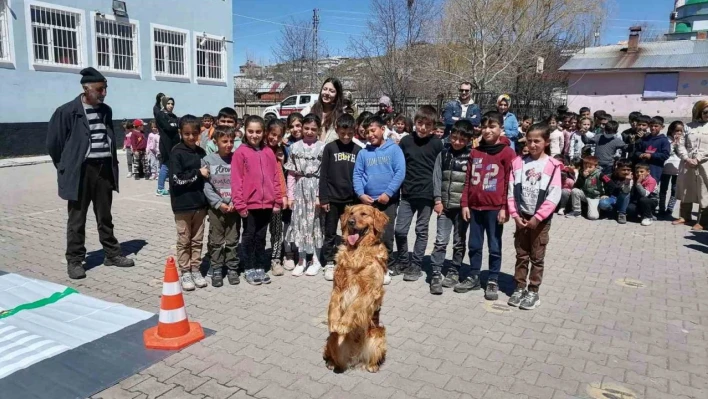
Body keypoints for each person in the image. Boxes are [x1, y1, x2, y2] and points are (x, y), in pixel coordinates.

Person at [46, 67, 134, 279]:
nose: (103, 93)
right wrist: (67, 167)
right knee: (77, 218)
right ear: (86, 89)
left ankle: (111, 254)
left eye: (105, 89)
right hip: (81, 172)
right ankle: (75, 260)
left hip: (103, 169)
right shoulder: (67, 111)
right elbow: (54, 144)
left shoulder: (106, 110)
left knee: (105, 216)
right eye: (99, 89)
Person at [457, 111, 515, 299]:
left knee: (494, 245)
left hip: (495, 208)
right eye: (485, 126)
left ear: (501, 129)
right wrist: (465, 203)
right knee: (474, 244)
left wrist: (505, 207)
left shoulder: (507, 152)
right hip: (475, 207)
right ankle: (474, 275)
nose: (488, 130)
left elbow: (509, 182)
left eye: (492, 126)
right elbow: (468, 180)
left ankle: (493, 279)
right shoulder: (475, 151)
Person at [507, 123, 562, 310]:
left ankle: (533, 291)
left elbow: (554, 195)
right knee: (521, 254)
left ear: (546, 142)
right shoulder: (518, 163)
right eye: (529, 141)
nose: (532, 145)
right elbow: (511, 191)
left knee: (537, 256)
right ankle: (519, 287)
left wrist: (538, 217)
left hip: (540, 220)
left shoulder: (553, 166)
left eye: (537, 141)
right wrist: (514, 215)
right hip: (521, 216)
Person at [353, 114, 406, 283]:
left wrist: (388, 193)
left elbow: (400, 172)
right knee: (367, 234)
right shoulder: (363, 153)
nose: (370, 135)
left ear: (383, 129)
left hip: (387, 201)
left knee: (386, 235)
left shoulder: (394, 150)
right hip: (368, 202)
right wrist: (361, 194)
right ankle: (368, 264)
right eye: (366, 132)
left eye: (373, 130)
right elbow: (357, 174)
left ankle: (384, 267)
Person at [394, 105, 444, 282]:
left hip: (426, 196)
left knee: (421, 231)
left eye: (427, 125)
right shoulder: (407, 141)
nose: (423, 128)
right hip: (407, 193)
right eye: (420, 123)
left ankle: (416, 264)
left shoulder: (437, 144)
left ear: (433, 127)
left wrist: (438, 198)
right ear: (414, 123)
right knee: (400, 230)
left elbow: (440, 171)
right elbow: (398, 166)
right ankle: (402, 260)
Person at [231, 115, 282, 285]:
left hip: (267, 204)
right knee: (248, 236)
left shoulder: (268, 152)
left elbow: (275, 177)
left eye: (258, 131)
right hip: (248, 205)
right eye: (251, 131)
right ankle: (249, 267)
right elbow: (236, 179)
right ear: (245, 131)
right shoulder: (240, 153)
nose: (254, 135)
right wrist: (239, 203)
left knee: (261, 236)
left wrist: (277, 201)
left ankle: (260, 265)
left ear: (264, 132)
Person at [429, 120, 473, 295]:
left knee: (459, 242)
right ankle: (435, 273)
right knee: (440, 240)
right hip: (445, 207)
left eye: (462, 140)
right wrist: (438, 200)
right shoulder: (444, 154)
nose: (457, 142)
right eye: (454, 138)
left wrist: (467, 204)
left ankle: (454, 270)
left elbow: (471, 183)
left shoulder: (472, 156)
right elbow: (437, 177)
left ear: (469, 140)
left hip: (462, 208)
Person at [169, 115, 209, 291]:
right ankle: (185, 271)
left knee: (197, 240)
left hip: (199, 205)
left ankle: (195, 269)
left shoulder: (201, 153)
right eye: (187, 134)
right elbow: (177, 179)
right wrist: (198, 173)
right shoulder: (176, 153)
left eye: (194, 133)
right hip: (182, 205)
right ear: (180, 133)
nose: (191, 137)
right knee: (184, 240)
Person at [319, 114, 361, 281]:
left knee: (351, 232)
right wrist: (324, 198)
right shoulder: (330, 148)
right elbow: (323, 175)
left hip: (351, 200)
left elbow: (360, 176)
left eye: (349, 134)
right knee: (330, 232)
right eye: (342, 133)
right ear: (336, 130)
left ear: (354, 132)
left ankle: (349, 259)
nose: (345, 137)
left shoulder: (358, 150)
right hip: (332, 199)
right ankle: (329, 261)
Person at [284, 114, 326, 276]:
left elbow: (325, 175)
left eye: (313, 129)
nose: (309, 132)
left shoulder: (323, 148)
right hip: (300, 190)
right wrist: (290, 196)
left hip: (315, 189)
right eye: (306, 128)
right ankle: (301, 259)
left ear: (318, 130)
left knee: (315, 223)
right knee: (300, 223)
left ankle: (315, 259)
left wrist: (319, 196)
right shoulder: (294, 148)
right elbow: (291, 174)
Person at [202, 126, 240, 287]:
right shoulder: (208, 160)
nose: (228, 144)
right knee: (216, 240)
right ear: (215, 142)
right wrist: (218, 203)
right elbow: (206, 186)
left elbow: (241, 182)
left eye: (231, 141)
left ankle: (232, 267)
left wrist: (234, 202)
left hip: (233, 207)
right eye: (224, 141)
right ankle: (216, 268)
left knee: (232, 240)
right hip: (216, 209)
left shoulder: (237, 159)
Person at [674, 100, 708, 230]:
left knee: (704, 190)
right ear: (699, 112)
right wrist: (687, 158)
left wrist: (698, 158)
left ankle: (703, 221)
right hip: (688, 163)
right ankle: (684, 216)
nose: (707, 114)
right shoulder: (688, 127)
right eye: (705, 112)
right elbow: (680, 144)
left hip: (705, 163)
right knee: (685, 189)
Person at [264, 119, 288, 276]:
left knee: (277, 230)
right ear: (267, 132)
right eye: (273, 134)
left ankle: (275, 259)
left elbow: (281, 175)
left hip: (276, 196)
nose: (275, 139)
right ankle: (257, 259)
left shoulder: (281, 150)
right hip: (259, 197)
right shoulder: (259, 149)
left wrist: (284, 195)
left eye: (279, 136)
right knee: (258, 230)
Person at [282, 112, 304, 270]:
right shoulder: (285, 145)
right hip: (289, 188)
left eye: (298, 125)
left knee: (303, 221)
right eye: (292, 126)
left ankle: (300, 252)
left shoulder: (310, 143)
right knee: (288, 221)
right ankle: (288, 252)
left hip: (305, 188)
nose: (296, 129)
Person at [302, 78, 344, 143]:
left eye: (331, 91)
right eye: (324, 89)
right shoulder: (310, 108)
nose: (327, 93)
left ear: (337, 95)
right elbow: (296, 125)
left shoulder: (341, 115)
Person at [634, 116, 670, 183]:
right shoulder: (645, 138)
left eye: (656, 126)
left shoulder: (664, 140)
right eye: (651, 126)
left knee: (652, 188)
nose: (653, 128)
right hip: (642, 168)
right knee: (641, 187)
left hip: (655, 169)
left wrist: (651, 155)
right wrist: (640, 154)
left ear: (662, 127)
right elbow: (637, 150)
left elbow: (665, 155)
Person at [156, 95, 179, 196]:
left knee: (173, 165)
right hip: (166, 144)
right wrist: (174, 126)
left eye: (172, 104)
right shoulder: (161, 115)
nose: (170, 106)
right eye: (168, 103)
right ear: (164, 104)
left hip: (175, 143)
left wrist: (174, 126)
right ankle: (160, 189)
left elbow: (176, 126)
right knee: (166, 165)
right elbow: (168, 128)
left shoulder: (173, 116)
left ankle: (172, 187)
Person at [567, 155, 604, 220]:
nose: (587, 169)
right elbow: (577, 185)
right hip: (584, 194)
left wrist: (606, 194)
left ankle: (596, 207)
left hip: (594, 197)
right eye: (585, 166)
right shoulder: (581, 172)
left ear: (595, 166)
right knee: (575, 190)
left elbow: (610, 183)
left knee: (593, 217)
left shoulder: (600, 174)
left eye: (590, 167)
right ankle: (576, 212)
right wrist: (583, 177)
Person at [598, 159, 633, 224]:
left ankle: (622, 214)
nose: (626, 172)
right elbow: (601, 185)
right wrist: (603, 194)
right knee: (602, 203)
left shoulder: (631, 179)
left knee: (625, 193)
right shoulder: (609, 176)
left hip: (624, 201)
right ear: (617, 169)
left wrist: (627, 182)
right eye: (623, 170)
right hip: (612, 199)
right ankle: (613, 212)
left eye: (628, 170)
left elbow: (626, 191)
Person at [660, 121, 683, 217]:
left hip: (677, 169)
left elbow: (682, 154)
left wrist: (679, 144)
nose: (678, 133)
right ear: (671, 130)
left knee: (674, 190)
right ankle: (661, 208)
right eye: (676, 130)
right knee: (663, 189)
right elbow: (666, 153)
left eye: (680, 131)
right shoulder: (666, 140)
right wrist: (673, 143)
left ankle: (670, 209)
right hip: (666, 167)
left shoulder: (683, 140)